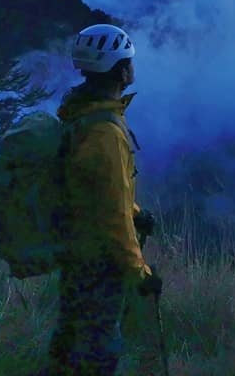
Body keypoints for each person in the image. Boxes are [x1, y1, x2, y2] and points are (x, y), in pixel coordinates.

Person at [48, 24, 161, 375]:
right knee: (98, 351)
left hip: (75, 249)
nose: (132, 68)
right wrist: (140, 274)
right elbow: (113, 218)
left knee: (70, 340)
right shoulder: (105, 133)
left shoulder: (80, 114)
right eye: (129, 61)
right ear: (122, 70)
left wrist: (135, 211)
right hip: (98, 260)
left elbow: (103, 190)